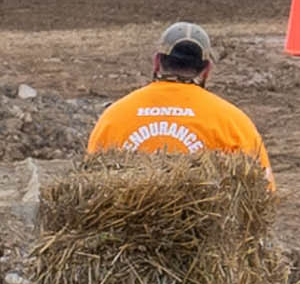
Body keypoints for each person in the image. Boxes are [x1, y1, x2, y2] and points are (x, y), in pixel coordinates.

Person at [86, 21, 274, 187]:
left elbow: (89, 182)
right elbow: (264, 188)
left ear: (157, 62)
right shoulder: (233, 122)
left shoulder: (114, 118)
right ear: (207, 70)